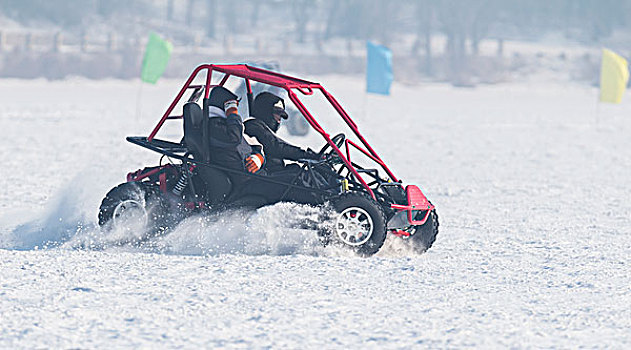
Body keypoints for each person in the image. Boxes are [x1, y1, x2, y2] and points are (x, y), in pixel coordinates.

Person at [202, 86, 265, 204]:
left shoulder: (229, 126)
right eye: (233, 106)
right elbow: (234, 139)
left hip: (255, 176)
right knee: (295, 182)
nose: (236, 110)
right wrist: (232, 115)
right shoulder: (215, 127)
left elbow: (253, 146)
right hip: (245, 182)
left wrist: (258, 158)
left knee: (295, 172)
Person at [244, 92, 319, 173]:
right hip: (265, 178)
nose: (279, 120)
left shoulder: (261, 128)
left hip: (274, 175)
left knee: (299, 171)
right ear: (266, 111)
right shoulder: (252, 126)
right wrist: (308, 155)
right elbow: (276, 147)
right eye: (277, 114)